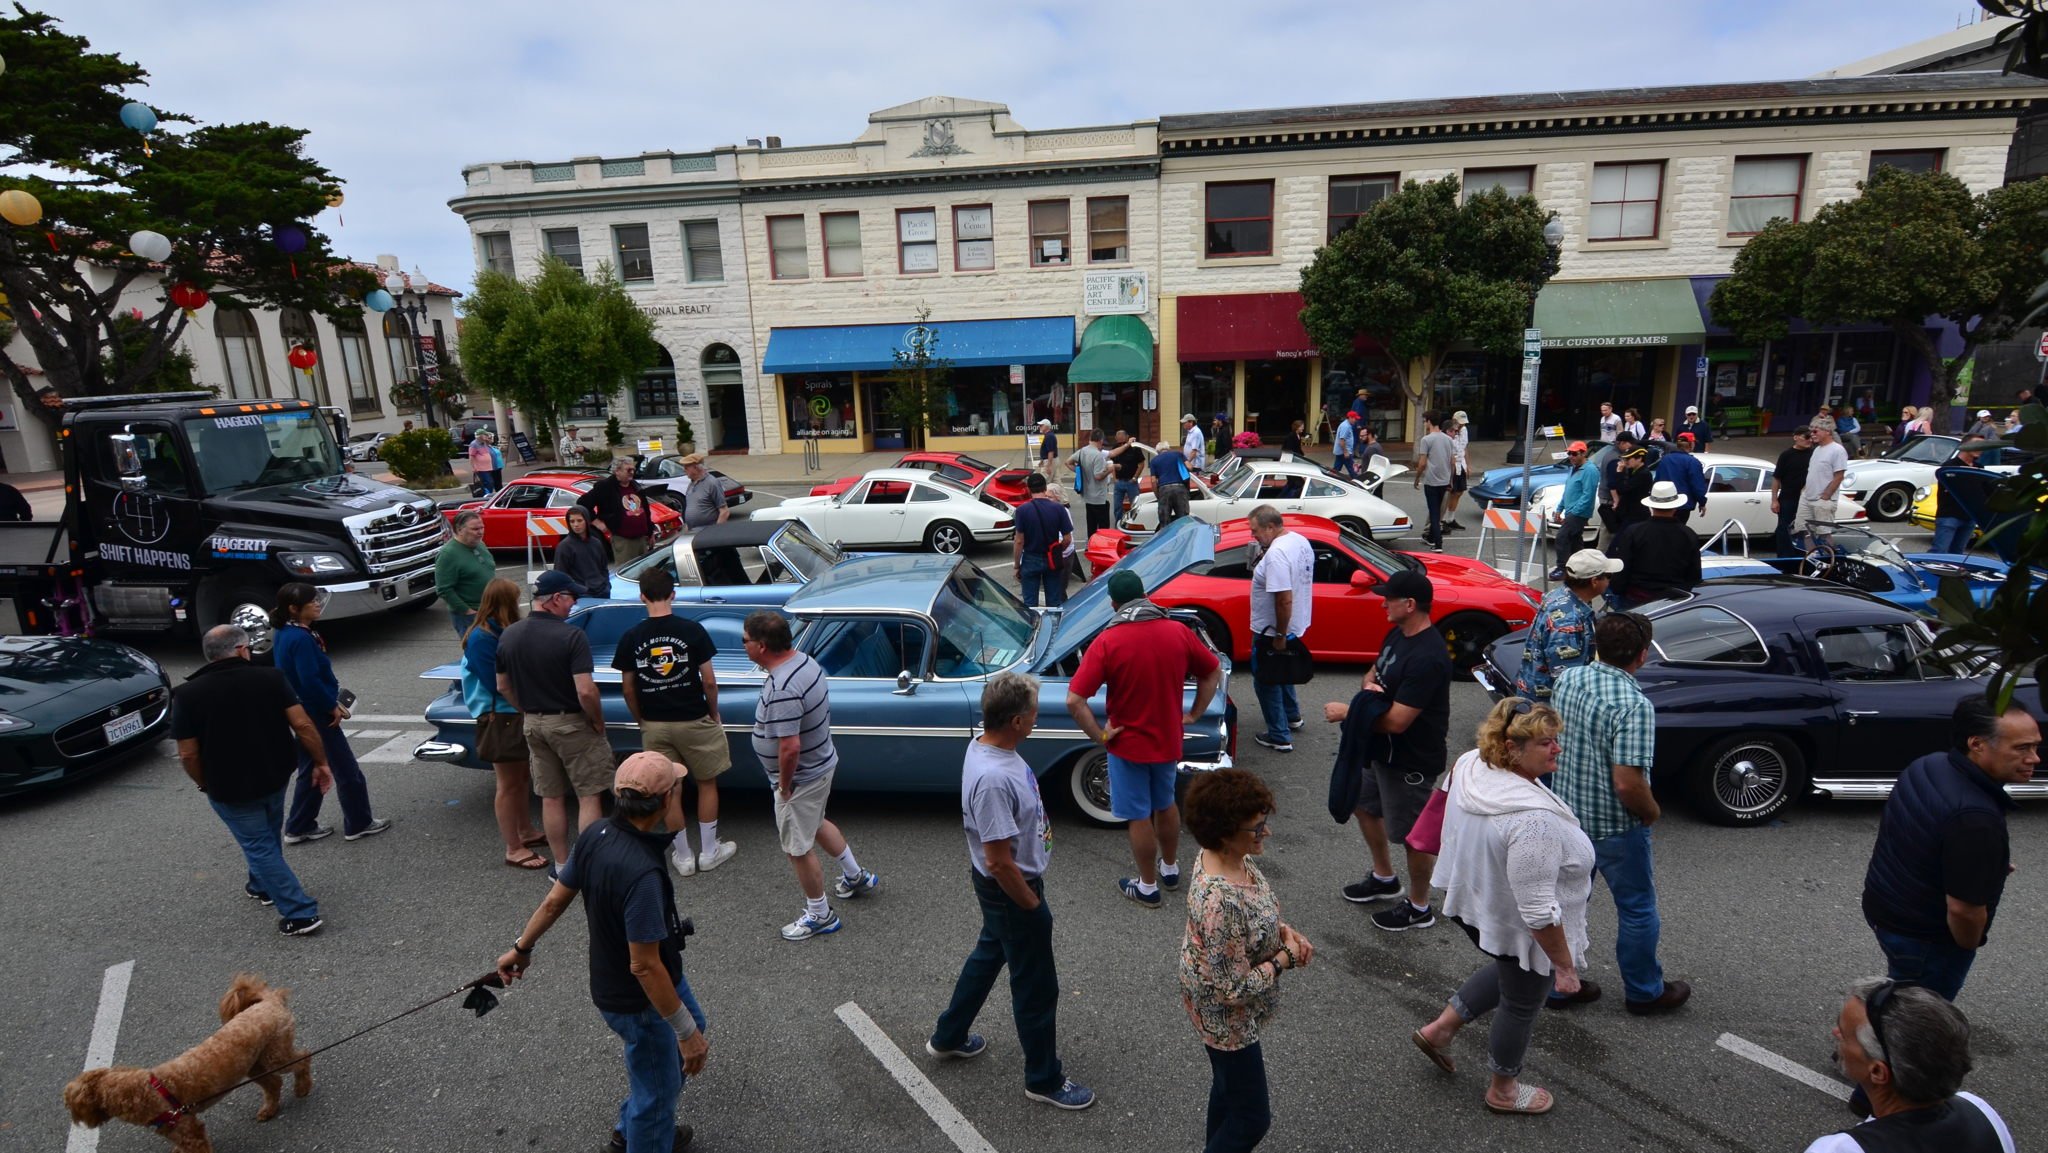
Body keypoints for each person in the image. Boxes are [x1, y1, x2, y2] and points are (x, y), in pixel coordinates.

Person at [495, 752, 710, 1153]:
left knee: (691, 1028)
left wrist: (521, 948)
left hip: (632, 982)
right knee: (658, 1090)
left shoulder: (596, 834)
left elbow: (555, 901)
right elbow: (644, 965)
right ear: (665, 800)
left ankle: (631, 1129)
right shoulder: (643, 875)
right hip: (639, 1000)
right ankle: (645, 1134)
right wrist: (685, 1034)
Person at [1412, 698, 1594, 1116]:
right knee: (1523, 1000)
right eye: (1546, 742)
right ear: (1512, 747)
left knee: (1511, 970)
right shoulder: (1534, 823)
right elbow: (1538, 912)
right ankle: (1503, 1090)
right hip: (1521, 924)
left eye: (1556, 739)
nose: (1558, 748)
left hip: (1479, 907)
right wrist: (1564, 967)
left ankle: (1440, 1030)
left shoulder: (1472, 763)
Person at [929, 672, 1096, 1111]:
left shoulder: (988, 747)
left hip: (1005, 891)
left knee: (989, 955)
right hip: (1012, 890)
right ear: (1017, 721)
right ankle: (1043, 1079)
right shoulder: (993, 779)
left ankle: (948, 1035)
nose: (1038, 717)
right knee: (1037, 986)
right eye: (1034, 713)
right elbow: (999, 861)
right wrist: (1031, 905)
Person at [1549, 613, 1690, 1015]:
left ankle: (1558, 984)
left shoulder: (1569, 679)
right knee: (1637, 908)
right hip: (1613, 826)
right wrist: (1652, 811)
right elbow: (1627, 783)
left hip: (1568, 814)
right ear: (1642, 655)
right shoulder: (1633, 705)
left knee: (1564, 903)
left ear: (1597, 646)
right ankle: (1644, 992)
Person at [1860, 697, 2037, 1002]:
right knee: (1918, 1016)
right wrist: (1967, 945)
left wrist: (1980, 865)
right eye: (2022, 748)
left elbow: (1915, 836)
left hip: (1885, 909)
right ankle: (1865, 1031)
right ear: (1977, 744)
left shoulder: (1929, 765)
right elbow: (1964, 911)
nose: (2034, 758)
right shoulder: (1974, 818)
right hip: (1926, 940)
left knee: (1899, 998)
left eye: (2035, 746)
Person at [1066, 570, 1222, 906]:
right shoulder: (1178, 632)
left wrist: (1101, 735)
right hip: (1167, 738)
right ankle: (1170, 868)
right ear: (1145, 595)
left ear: (1113, 604)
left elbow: (1074, 700)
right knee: (1165, 803)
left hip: (1127, 744)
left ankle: (1148, 886)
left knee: (1138, 815)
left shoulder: (1107, 641)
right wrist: (1194, 714)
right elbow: (1212, 672)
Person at [1181, 769, 1313, 1150]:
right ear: (1225, 832)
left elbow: (1250, 919)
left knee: (1228, 1091)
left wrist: (1283, 932)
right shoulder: (1220, 901)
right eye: (1255, 828)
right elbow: (1233, 989)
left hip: (1211, 998)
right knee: (1252, 1118)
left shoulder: (1228, 856)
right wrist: (1283, 959)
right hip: (1225, 1019)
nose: (1265, 832)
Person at [174, 624, 334, 937]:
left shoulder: (187, 694)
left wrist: (204, 783)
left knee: (258, 844)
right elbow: (302, 725)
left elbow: (188, 754)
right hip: (275, 773)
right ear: (240, 650)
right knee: (267, 833)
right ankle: (261, 885)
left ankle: (299, 912)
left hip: (228, 784)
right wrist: (320, 762)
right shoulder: (271, 678)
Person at [1325, 569, 1451, 932]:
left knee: (1414, 838)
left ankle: (1419, 906)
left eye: (1389, 599)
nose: (1383, 604)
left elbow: (1397, 721)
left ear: (1409, 605)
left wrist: (1350, 711)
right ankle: (1384, 878)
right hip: (1378, 750)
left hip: (1410, 760)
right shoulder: (1398, 634)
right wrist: (1370, 692)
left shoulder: (1428, 657)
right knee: (1363, 806)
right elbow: (1373, 673)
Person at [744, 609, 877, 941]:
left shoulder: (784, 687)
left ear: (761, 646)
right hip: (821, 765)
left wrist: (784, 786)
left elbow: (789, 747)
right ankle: (855, 876)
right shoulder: (804, 661)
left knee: (797, 848)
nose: (743, 645)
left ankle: (820, 914)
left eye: (745, 641)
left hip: (800, 778)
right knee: (815, 822)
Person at [614, 567, 736, 878]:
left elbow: (628, 688)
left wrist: (641, 719)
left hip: (654, 722)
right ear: (673, 594)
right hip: (694, 717)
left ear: (642, 596)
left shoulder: (631, 637)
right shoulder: (692, 631)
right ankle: (709, 851)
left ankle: (682, 856)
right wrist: (714, 712)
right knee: (707, 782)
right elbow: (709, 681)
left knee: (669, 787)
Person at [1809, 980, 2014, 1152]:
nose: (1836, 1033)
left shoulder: (1841, 1149)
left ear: (1878, 1072)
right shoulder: (1981, 1113)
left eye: (1845, 1035)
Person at [498, 570, 612, 874]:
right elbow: (585, 690)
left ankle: (562, 866)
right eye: (571, 597)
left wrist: (526, 710)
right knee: (589, 794)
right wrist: (597, 720)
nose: (574, 603)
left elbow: (502, 685)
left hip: (533, 724)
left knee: (551, 797)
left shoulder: (509, 634)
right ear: (556, 598)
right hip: (571, 722)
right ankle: (587, 866)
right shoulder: (572, 636)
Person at [271, 584, 390, 846]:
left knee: (311, 767)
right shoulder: (301, 638)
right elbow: (310, 680)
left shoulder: (285, 632)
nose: (317, 604)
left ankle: (299, 825)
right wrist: (330, 705)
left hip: (300, 710)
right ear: (294, 608)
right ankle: (359, 822)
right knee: (346, 769)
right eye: (311, 601)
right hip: (316, 711)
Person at [462, 577, 548, 870]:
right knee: (508, 784)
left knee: (520, 778)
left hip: (509, 713)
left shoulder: (495, 631)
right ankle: (513, 847)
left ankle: (524, 831)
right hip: (501, 716)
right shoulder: (482, 638)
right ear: (505, 602)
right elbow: (497, 683)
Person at [1243, 506, 1312, 754]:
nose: (1253, 535)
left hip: (1271, 630)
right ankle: (1292, 716)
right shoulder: (1299, 541)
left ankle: (1279, 735)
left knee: (1266, 679)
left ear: (1270, 527)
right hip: (1294, 624)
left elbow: (1283, 599)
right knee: (1282, 670)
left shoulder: (1277, 554)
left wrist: (1280, 635)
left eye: (1255, 530)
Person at [1515, 550, 1619, 701]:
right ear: (1594, 581)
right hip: (1548, 706)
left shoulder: (1560, 594)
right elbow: (1566, 680)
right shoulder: (1568, 622)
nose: (1609, 581)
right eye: (1608, 576)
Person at [1608, 481, 1701, 606]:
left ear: (1651, 506)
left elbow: (1623, 569)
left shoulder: (1634, 532)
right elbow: (1694, 576)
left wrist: (1618, 590)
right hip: (1674, 600)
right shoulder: (1689, 535)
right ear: (1676, 507)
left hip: (1637, 598)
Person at [581, 457, 656, 565]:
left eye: (633, 469)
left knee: (644, 570)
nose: (632, 472)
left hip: (642, 538)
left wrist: (650, 532)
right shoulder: (605, 487)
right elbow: (583, 503)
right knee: (627, 570)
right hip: (623, 540)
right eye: (628, 470)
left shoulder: (635, 485)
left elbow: (646, 510)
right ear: (617, 471)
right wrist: (596, 522)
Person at [1013, 473, 1073, 609]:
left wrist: (1017, 565)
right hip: (1051, 558)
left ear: (1029, 489)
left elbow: (1019, 541)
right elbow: (1067, 539)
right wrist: (1058, 550)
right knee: (1054, 602)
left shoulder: (1022, 510)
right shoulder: (1059, 509)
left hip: (1030, 557)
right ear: (1045, 488)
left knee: (1030, 604)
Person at [436, 509, 496, 638]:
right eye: (475, 529)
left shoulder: (480, 544)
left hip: (490, 609)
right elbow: (444, 589)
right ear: (459, 530)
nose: (480, 532)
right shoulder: (448, 554)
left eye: (482, 527)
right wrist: (468, 611)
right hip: (470, 616)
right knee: (477, 648)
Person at [1799, 419, 1850, 551]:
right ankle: (1811, 556)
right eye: (1811, 431)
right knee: (1806, 531)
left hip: (1823, 499)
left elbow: (1839, 476)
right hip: (1807, 497)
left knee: (1824, 533)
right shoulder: (1817, 450)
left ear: (1827, 431)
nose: (1812, 434)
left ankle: (1832, 557)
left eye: (1815, 431)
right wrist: (1804, 491)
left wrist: (1825, 497)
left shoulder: (1837, 450)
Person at [1930, 439, 1988, 555]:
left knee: (1958, 553)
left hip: (1969, 517)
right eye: (1977, 444)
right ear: (1964, 446)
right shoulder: (1950, 466)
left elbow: (1982, 491)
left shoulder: (1979, 468)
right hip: (1949, 515)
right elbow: (1953, 487)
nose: (1980, 449)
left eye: (1982, 446)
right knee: (1939, 551)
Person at [1550, 442, 1598, 581]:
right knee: (1575, 541)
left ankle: (1562, 569)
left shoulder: (1590, 470)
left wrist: (1573, 512)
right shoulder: (1574, 468)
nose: (1571, 456)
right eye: (1569, 453)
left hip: (1579, 513)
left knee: (1562, 537)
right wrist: (1559, 509)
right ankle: (1581, 568)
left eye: (1574, 454)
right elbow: (1567, 491)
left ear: (1583, 453)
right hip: (1572, 511)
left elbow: (1588, 495)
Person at [1413, 410, 1455, 552]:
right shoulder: (1448, 439)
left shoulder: (1426, 440)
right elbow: (1452, 462)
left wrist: (1417, 478)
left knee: (1434, 512)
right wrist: (1451, 480)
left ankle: (1438, 543)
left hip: (1431, 480)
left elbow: (1422, 463)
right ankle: (1431, 537)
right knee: (1437, 510)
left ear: (1429, 421)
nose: (1425, 424)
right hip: (1444, 480)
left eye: (1425, 421)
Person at [1771, 426, 1815, 557]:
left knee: (1805, 528)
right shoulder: (1786, 455)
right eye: (1806, 437)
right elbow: (1777, 478)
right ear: (1796, 437)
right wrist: (1774, 500)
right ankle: (1784, 557)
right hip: (1788, 497)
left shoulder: (1813, 454)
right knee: (1784, 527)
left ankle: (1803, 555)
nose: (1809, 440)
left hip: (1807, 497)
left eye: (1811, 437)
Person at [555, 505, 613, 600]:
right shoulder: (564, 546)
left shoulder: (596, 543)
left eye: (579, 520)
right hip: (580, 595)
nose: (576, 525)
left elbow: (603, 568)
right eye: (572, 521)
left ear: (587, 520)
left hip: (602, 591)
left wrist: (607, 586)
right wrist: (577, 591)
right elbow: (561, 575)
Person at [1067, 430, 1113, 542]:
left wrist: (1080, 472)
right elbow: (1098, 476)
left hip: (1087, 495)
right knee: (1103, 527)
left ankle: (1091, 543)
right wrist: (1109, 470)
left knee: (1091, 525)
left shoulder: (1082, 451)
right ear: (1100, 440)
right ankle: (1102, 545)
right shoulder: (1097, 455)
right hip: (1099, 497)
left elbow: (1068, 462)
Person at [1604, 445, 1654, 544]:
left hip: (1637, 514)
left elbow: (1622, 489)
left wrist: (1619, 472)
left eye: (1628, 459)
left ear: (1639, 459)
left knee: (1620, 543)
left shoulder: (1643, 474)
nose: (1625, 462)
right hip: (1630, 513)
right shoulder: (1634, 471)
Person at [1652, 432, 1707, 521]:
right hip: (1682, 505)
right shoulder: (1692, 462)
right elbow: (1697, 485)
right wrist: (1702, 502)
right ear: (1691, 444)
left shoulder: (1665, 459)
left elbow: (1657, 480)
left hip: (1664, 503)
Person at [676, 453, 728, 531]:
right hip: (693, 531)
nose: (684, 470)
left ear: (696, 467)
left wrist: (716, 532)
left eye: (686, 467)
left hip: (707, 532)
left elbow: (724, 511)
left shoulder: (712, 483)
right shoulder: (691, 484)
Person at [1151, 440, 1192, 525]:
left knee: (1164, 520)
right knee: (1183, 519)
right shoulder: (1178, 454)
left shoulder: (1154, 460)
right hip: (1180, 488)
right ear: (1168, 448)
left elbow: (1153, 481)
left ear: (1158, 451)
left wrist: (1157, 495)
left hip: (1164, 489)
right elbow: (1189, 467)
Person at [1109, 429, 1145, 523]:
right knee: (1117, 507)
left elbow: (1141, 464)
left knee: (1135, 505)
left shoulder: (1135, 448)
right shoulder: (1115, 448)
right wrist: (1114, 478)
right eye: (1118, 437)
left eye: (1122, 437)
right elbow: (1112, 464)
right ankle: (1118, 523)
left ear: (1127, 437)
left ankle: (1135, 523)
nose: (1120, 439)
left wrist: (1135, 477)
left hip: (1131, 482)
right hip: (1119, 482)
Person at [469, 430, 502, 496]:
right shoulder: (474, 444)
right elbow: (471, 456)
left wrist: (487, 440)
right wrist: (474, 467)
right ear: (480, 436)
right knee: (488, 482)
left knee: (490, 482)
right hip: (481, 468)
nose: (487, 436)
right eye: (485, 435)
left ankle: (488, 495)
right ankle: (486, 496)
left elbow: (491, 443)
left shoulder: (484, 443)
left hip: (489, 467)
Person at [1332, 408, 1358, 479]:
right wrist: (1346, 452)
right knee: (1352, 469)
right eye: (1355, 418)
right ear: (1350, 418)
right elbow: (1342, 440)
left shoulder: (1346, 425)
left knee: (1336, 469)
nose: (1355, 420)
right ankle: (1357, 480)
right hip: (1344, 452)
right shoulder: (1346, 426)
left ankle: (1331, 478)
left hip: (1341, 452)